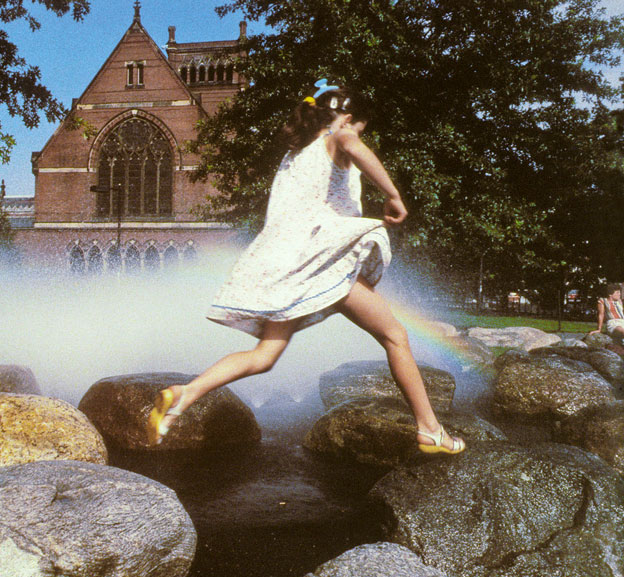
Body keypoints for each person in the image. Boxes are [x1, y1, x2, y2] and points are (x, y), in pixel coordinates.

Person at [147, 79, 464, 454]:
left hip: (294, 266)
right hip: (327, 261)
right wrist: (393, 196)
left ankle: (184, 395)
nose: (359, 134)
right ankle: (430, 430)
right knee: (395, 336)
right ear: (346, 118)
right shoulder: (338, 137)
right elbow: (350, 143)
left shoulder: (294, 156)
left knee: (264, 357)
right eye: (361, 126)